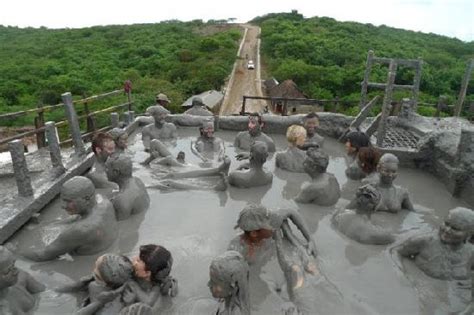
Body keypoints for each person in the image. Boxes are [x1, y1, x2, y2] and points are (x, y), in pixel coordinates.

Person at [21, 176, 118, 261]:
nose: (62, 206)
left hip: (85, 264)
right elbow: (79, 218)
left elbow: (41, 255)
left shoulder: (80, 230)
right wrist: (53, 224)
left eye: (68, 201)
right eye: (62, 200)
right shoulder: (104, 201)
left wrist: (14, 251)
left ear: (87, 199)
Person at [391, 207, 474, 280]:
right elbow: (395, 251)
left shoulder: (471, 253)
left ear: (469, 234)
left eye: (455, 228)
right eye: (446, 224)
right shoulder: (424, 241)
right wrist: (400, 273)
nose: (447, 230)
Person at [228, 204, 317, 264]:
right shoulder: (237, 249)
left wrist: (310, 239)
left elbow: (291, 211)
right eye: (270, 224)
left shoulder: (270, 218)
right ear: (254, 233)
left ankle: (289, 235)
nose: (274, 225)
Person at [0, 246, 45, 314]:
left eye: (13, 265)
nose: (16, 271)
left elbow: (41, 290)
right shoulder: (5, 311)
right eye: (7, 271)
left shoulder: (21, 276)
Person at [105, 154, 150, 220]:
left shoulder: (121, 200)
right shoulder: (138, 181)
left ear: (116, 172)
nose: (105, 171)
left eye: (107, 168)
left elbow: (119, 227)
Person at [208, 251, 250, 315]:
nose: (208, 284)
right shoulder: (225, 301)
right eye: (211, 280)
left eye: (215, 283)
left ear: (233, 287)